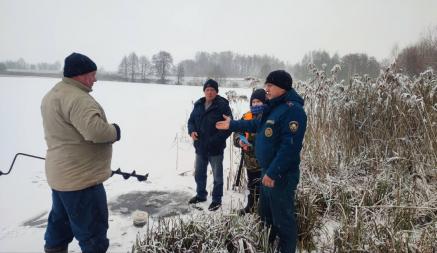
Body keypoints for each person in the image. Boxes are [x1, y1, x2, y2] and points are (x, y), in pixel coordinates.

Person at [216, 70, 307, 253]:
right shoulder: (273, 106)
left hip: (280, 175)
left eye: (270, 85)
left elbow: (289, 148)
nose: (266, 89)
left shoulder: (293, 110)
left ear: (282, 87)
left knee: (283, 219)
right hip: (267, 171)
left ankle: (286, 249)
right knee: (265, 214)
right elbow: (254, 124)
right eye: (266, 85)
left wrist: (273, 173)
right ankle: (267, 245)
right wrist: (232, 124)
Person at [41, 52, 121, 253]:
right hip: (82, 180)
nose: (95, 79)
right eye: (92, 74)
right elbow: (95, 131)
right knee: (93, 235)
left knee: (60, 225)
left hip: (61, 178)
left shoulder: (53, 95)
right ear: (80, 74)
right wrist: (115, 131)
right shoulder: (78, 98)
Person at [187, 79, 233, 211]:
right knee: (199, 174)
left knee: (217, 177)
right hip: (200, 147)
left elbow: (229, 127)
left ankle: (217, 200)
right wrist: (192, 131)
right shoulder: (198, 105)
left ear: (217, 92)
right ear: (204, 91)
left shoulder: (223, 106)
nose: (210, 92)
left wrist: (215, 140)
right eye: (207, 89)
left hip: (215, 149)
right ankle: (201, 195)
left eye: (212, 89)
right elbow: (191, 121)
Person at [233, 89, 266, 215]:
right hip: (250, 162)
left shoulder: (269, 117)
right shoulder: (246, 116)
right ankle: (250, 207)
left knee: (265, 189)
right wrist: (240, 141)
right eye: (254, 101)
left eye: (259, 101)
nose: (256, 104)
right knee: (252, 187)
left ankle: (263, 211)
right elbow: (237, 132)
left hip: (265, 163)